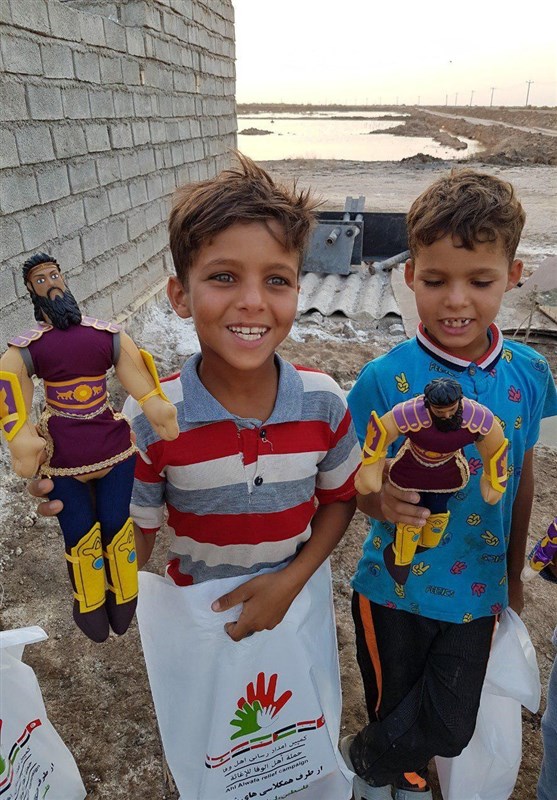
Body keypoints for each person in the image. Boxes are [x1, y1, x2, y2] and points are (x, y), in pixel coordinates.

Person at [29, 155, 361, 795]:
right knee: (217, 756)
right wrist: (84, 517)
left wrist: (291, 581)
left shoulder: (324, 401)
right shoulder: (153, 417)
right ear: (180, 295)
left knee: (293, 748)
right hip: (199, 616)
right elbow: (138, 530)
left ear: (300, 289)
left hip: (297, 607)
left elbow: (340, 500)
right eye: (224, 276)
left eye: (277, 279)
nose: (252, 301)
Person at [342, 169, 557, 800]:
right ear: (410, 276)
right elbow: (352, 480)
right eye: (436, 281)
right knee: (394, 705)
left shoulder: (530, 374)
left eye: (480, 281)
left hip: (478, 590)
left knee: (449, 723)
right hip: (392, 588)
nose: (456, 301)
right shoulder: (382, 380)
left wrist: (513, 575)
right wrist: (379, 500)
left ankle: (361, 761)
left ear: (514, 276)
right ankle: (395, 784)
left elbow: (521, 480)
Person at [0, 253, 179, 642]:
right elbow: (10, 385)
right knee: (79, 532)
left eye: (54, 275)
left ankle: (124, 595)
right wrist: (20, 435)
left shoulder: (104, 335)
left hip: (113, 449)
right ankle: (89, 602)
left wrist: (155, 404)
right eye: (41, 279)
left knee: (116, 524)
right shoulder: (30, 347)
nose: (51, 283)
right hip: (61, 457)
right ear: (30, 290)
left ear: (64, 278)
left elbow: (135, 370)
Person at [356, 376, 508, 586]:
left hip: (447, 474)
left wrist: (495, 479)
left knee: (437, 514)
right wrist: (371, 468)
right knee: (410, 516)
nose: (447, 415)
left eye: (451, 410)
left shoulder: (476, 417)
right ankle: (400, 558)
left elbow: (495, 446)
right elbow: (381, 432)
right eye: (440, 411)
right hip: (410, 470)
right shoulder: (410, 413)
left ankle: (424, 544)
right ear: (428, 405)